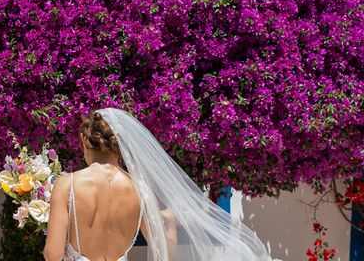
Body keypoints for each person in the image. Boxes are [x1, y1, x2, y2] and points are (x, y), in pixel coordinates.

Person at [43, 108, 272, 261]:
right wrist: (169, 222)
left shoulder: (66, 185)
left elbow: (52, 255)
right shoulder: (140, 189)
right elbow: (163, 251)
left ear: (84, 140)